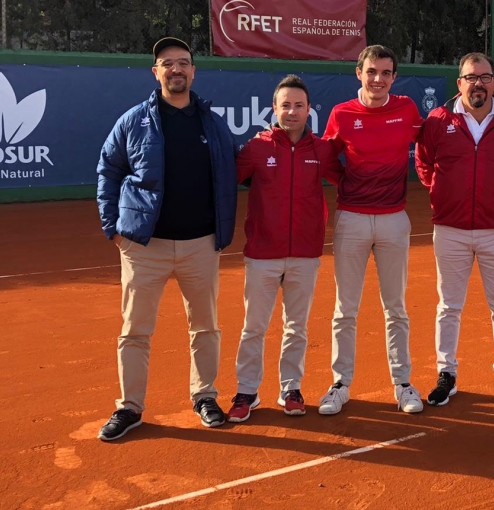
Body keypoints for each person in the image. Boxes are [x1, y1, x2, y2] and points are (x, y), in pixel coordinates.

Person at [96, 37, 238, 441]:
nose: (176, 69)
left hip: (201, 244)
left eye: (183, 63)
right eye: (167, 63)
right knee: (135, 330)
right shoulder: (134, 120)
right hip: (145, 246)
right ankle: (130, 407)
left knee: (205, 327)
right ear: (155, 72)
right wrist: (114, 228)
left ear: (193, 71)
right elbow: (108, 168)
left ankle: (205, 396)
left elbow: (236, 166)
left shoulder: (212, 122)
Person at [416, 52, 494, 408]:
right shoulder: (438, 120)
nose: (478, 83)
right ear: (460, 83)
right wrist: (442, 191)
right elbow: (423, 162)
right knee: (448, 306)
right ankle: (446, 373)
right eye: (471, 77)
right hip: (449, 228)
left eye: (484, 77)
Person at [226, 75, 342, 423]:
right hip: (262, 253)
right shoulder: (256, 148)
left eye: (299, 105)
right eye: (285, 105)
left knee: (297, 327)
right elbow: (226, 180)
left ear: (309, 110)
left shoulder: (321, 150)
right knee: (254, 327)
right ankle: (247, 390)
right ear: (274, 109)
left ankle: (291, 388)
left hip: (305, 254)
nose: (292, 112)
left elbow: (349, 178)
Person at [318, 45, 426, 415]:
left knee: (395, 307)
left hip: (395, 219)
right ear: (359, 74)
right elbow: (329, 159)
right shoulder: (342, 114)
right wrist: (348, 184)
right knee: (345, 309)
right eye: (371, 72)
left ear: (394, 77)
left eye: (385, 72)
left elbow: (425, 147)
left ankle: (403, 383)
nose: (378, 79)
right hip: (351, 219)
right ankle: (340, 384)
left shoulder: (408, 109)